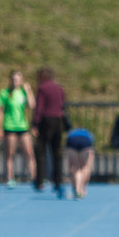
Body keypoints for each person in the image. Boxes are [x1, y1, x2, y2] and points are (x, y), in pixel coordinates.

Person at [0, 69, 35, 185]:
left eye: (17, 79)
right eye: (13, 79)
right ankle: (9, 177)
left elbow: (32, 105)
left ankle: (34, 177)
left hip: (22, 126)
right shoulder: (4, 93)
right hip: (9, 126)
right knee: (10, 153)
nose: (15, 81)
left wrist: (28, 90)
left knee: (29, 152)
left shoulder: (23, 93)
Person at [34, 66, 68, 198]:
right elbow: (63, 104)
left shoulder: (42, 88)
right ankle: (58, 181)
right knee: (56, 153)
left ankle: (40, 181)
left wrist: (35, 123)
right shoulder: (59, 88)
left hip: (46, 120)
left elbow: (39, 107)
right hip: (58, 120)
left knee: (41, 152)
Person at [65, 122, 96, 198]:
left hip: (71, 142)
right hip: (86, 143)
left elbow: (70, 166)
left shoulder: (71, 133)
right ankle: (82, 189)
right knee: (85, 168)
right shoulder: (88, 134)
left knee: (75, 168)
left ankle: (76, 189)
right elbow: (91, 150)